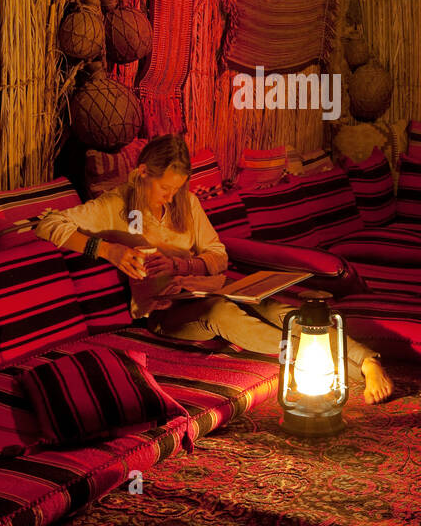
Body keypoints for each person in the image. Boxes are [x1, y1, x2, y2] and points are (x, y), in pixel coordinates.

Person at [35, 134, 393, 404]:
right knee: (222, 312)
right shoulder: (114, 206)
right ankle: (340, 365)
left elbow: (218, 254)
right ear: (142, 172)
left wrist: (181, 263)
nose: (171, 196)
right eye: (165, 187)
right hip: (164, 312)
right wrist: (107, 249)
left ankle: (366, 358)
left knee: (272, 305)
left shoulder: (186, 203)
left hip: (207, 286)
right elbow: (46, 223)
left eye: (177, 189)